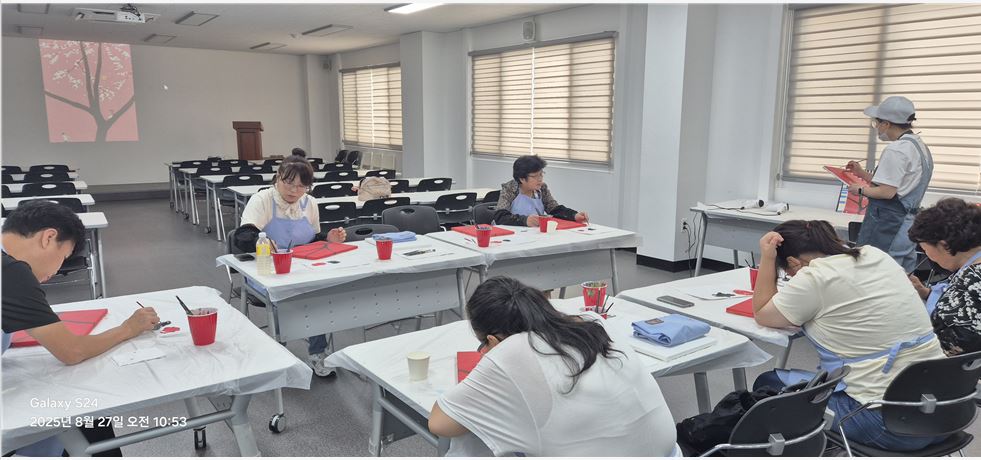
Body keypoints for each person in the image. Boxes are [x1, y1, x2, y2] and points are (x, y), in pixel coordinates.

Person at [751, 220, 946, 451]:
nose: (792, 278)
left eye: (789, 273)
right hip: (948, 412)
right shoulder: (876, 255)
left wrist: (768, 258)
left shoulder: (814, 277)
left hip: (891, 427)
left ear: (794, 262)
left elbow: (762, 313)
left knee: (768, 385)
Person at [428, 277, 677, 456]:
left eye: (483, 344)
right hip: (669, 453)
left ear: (493, 341)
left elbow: (439, 423)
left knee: (474, 445)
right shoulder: (592, 321)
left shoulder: (510, 352)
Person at [2, 200, 159, 456]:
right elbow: (72, 351)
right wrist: (129, 328)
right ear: (48, 238)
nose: (57, 270)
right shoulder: (10, 272)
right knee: (88, 414)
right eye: (63, 257)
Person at [236, 156, 346, 376]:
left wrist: (328, 238)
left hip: (301, 269)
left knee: (321, 295)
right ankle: (278, 353)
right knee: (284, 297)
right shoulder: (263, 200)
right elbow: (243, 236)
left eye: (302, 186)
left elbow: (312, 239)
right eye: (289, 183)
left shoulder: (309, 203)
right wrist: (262, 242)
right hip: (265, 271)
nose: (295, 191)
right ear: (278, 178)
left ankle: (318, 353)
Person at [844, 96, 933, 272]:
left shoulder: (896, 150)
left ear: (886, 124)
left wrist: (859, 189)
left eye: (876, 123)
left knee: (878, 271)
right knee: (903, 272)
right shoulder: (917, 145)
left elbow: (887, 192)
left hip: (891, 225)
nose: (876, 128)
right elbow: (897, 182)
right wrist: (861, 173)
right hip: (907, 223)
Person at [907, 198, 981, 356]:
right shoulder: (971, 272)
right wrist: (926, 293)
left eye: (925, 249)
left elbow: (954, 347)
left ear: (944, 245)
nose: (927, 255)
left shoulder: (971, 281)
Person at [493, 155, 589, 227]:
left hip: (535, 233)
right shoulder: (510, 189)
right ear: (522, 179)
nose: (540, 179)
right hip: (512, 234)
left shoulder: (542, 189)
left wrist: (574, 215)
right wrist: (524, 220)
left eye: (541, 174)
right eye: (535, 176)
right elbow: (500, 216)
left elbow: (554, 209)